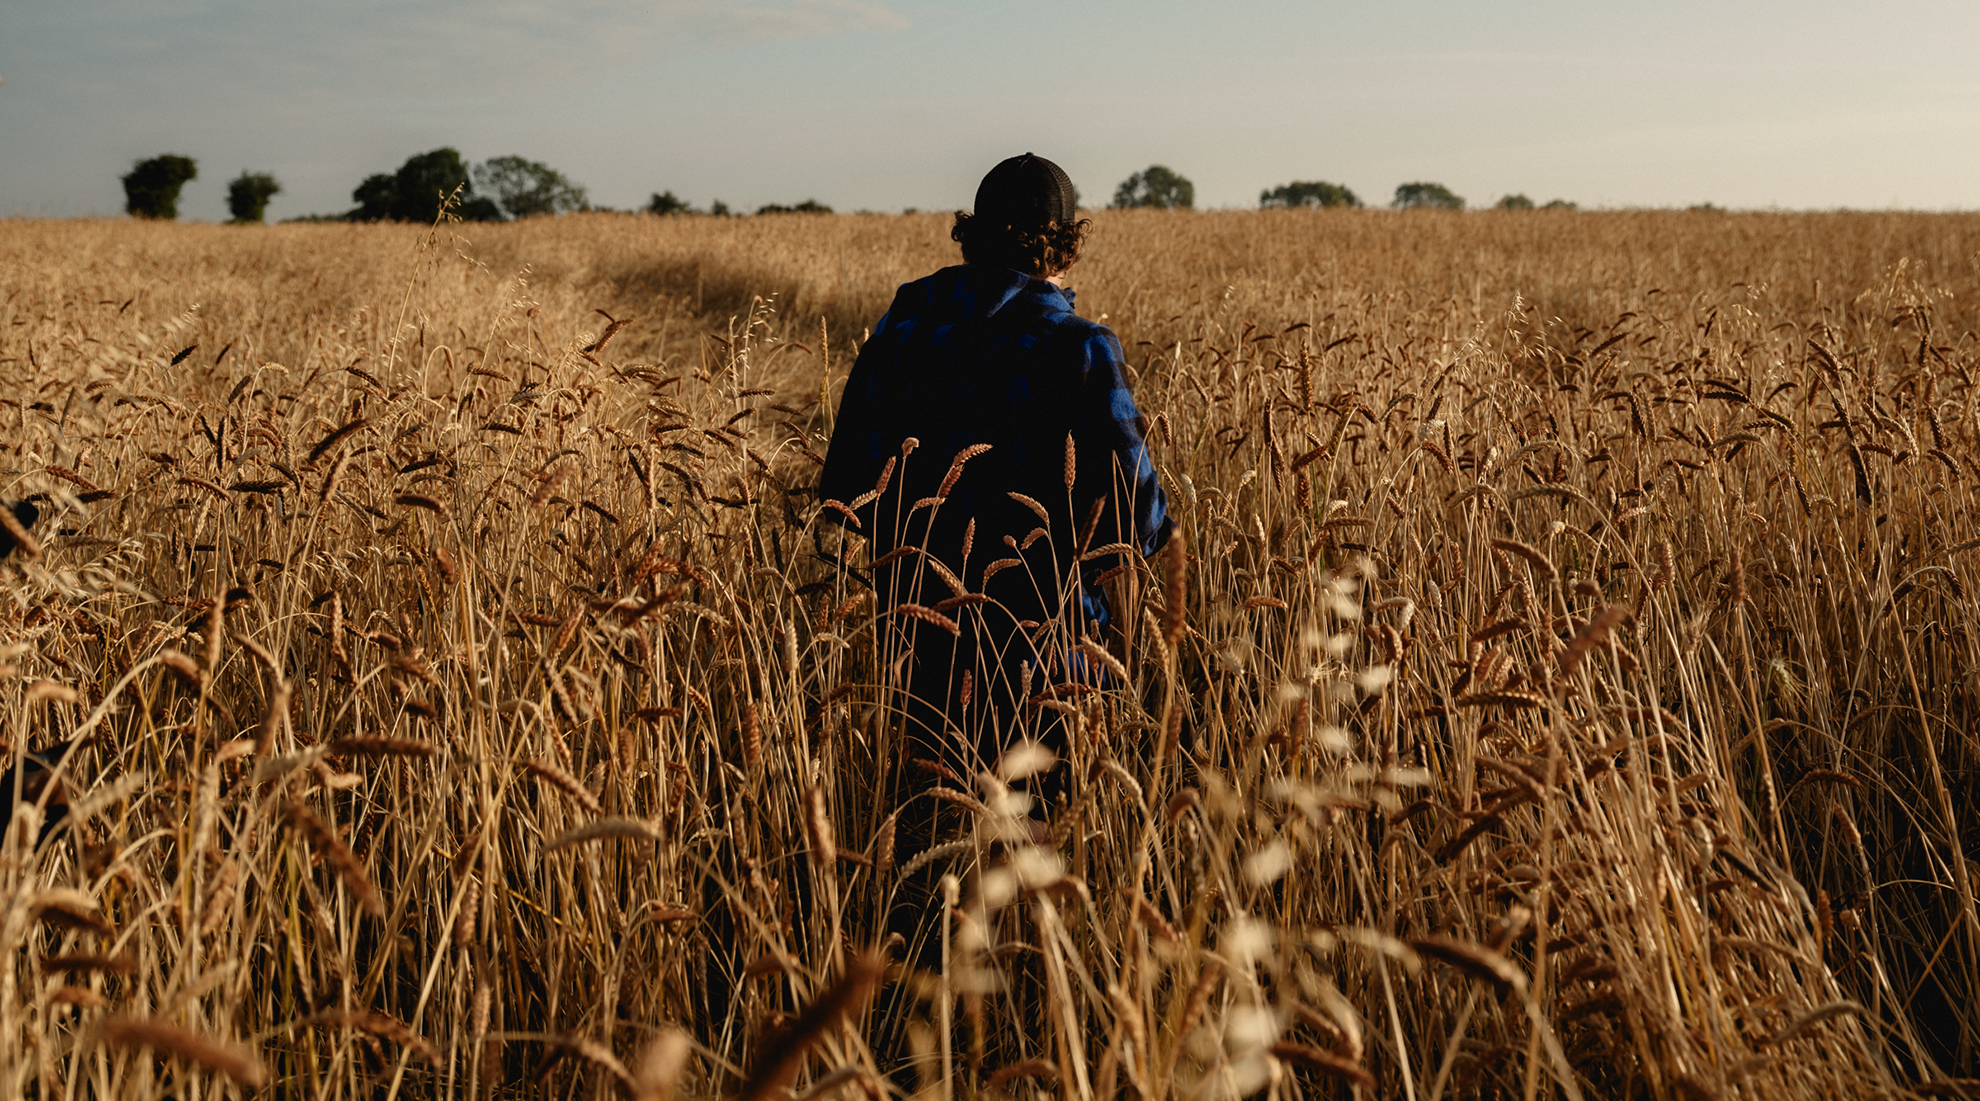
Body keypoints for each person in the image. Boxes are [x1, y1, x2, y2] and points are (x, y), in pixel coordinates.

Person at [818, 153, 1172, 793]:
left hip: (917, 635)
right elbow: (1138, 521)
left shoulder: (903, 326)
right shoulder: (1081, 347)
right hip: (1044, 652)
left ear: (972, 240)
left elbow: (844, 489)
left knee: (932, 820)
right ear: (1063, 251)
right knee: (1029, 843)